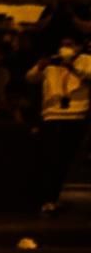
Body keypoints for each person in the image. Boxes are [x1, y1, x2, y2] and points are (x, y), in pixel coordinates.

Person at [25, 37, 91, 214]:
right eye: (63, 44)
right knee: (48, 158)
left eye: (70, 45)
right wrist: (40, 66)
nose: (66, 48)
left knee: (63, 160)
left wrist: (72, 65)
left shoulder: (86, 60)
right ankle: (43, 198)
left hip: (75, 115)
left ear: (78, 46)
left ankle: (52, 199)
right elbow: (31, 78)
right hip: (51, 115)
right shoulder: (52, 62)